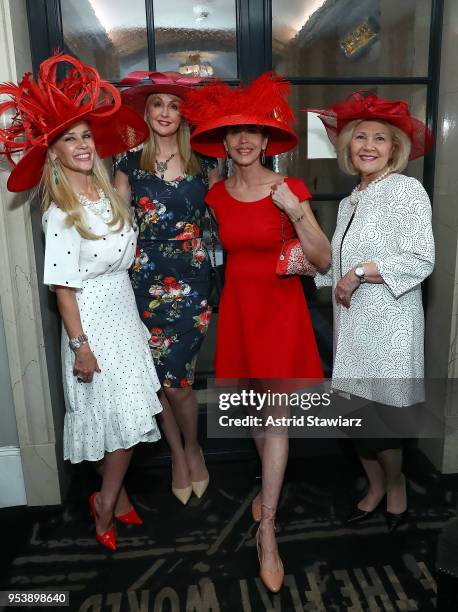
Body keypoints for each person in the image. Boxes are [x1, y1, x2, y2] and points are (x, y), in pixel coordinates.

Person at [0, 54, 163, 550]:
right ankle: (106, 503)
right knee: (116, 420)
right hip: (90, 318)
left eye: (86, 135)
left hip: (123, 311)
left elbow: (119, 248)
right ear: (53, 152)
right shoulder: (61, 212)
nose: (82, 145)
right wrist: (81, 346)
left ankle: (114, 497)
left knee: (127, 417)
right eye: (69, 138)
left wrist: (125, 200)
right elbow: (63, 288)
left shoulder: (107, 191)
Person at [181, 71, 331, 592]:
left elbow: (322, 258)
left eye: (253, 133)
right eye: (234, 134)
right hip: (240, 314)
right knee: (250, 414)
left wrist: (297, 212)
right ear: (223, 144)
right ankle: (267, 499)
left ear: (266, 142)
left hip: (281, 315)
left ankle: (267, 527)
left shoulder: (288, 189)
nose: (243, 141)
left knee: (277, 419)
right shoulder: (216, 196)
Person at [310, 91, 435, 531]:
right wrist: (306, 268)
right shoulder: (350, 200)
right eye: (360, 137)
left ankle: (396, 487)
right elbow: (338, 264)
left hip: (390, 326)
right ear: (347, 146)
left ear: (394, 148)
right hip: (354, 327)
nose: (368, 145)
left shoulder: (405, 190)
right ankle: (375, 486)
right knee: (356, 416)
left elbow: (421, 259)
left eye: (379, 139)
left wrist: (360, 272)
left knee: (382, 420)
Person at [114, 72, 218, 505]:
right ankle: (179, 454)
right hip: (142, 281)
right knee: (159, 379)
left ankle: (192, 447)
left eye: (173, 106)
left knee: (179, 381)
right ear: (147, 112)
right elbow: (115, 227)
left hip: (191, 280)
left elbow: (224, 223)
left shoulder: (205, 166)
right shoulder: (127, 166)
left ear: (182, 115)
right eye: (157, 104)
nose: (164, 113)